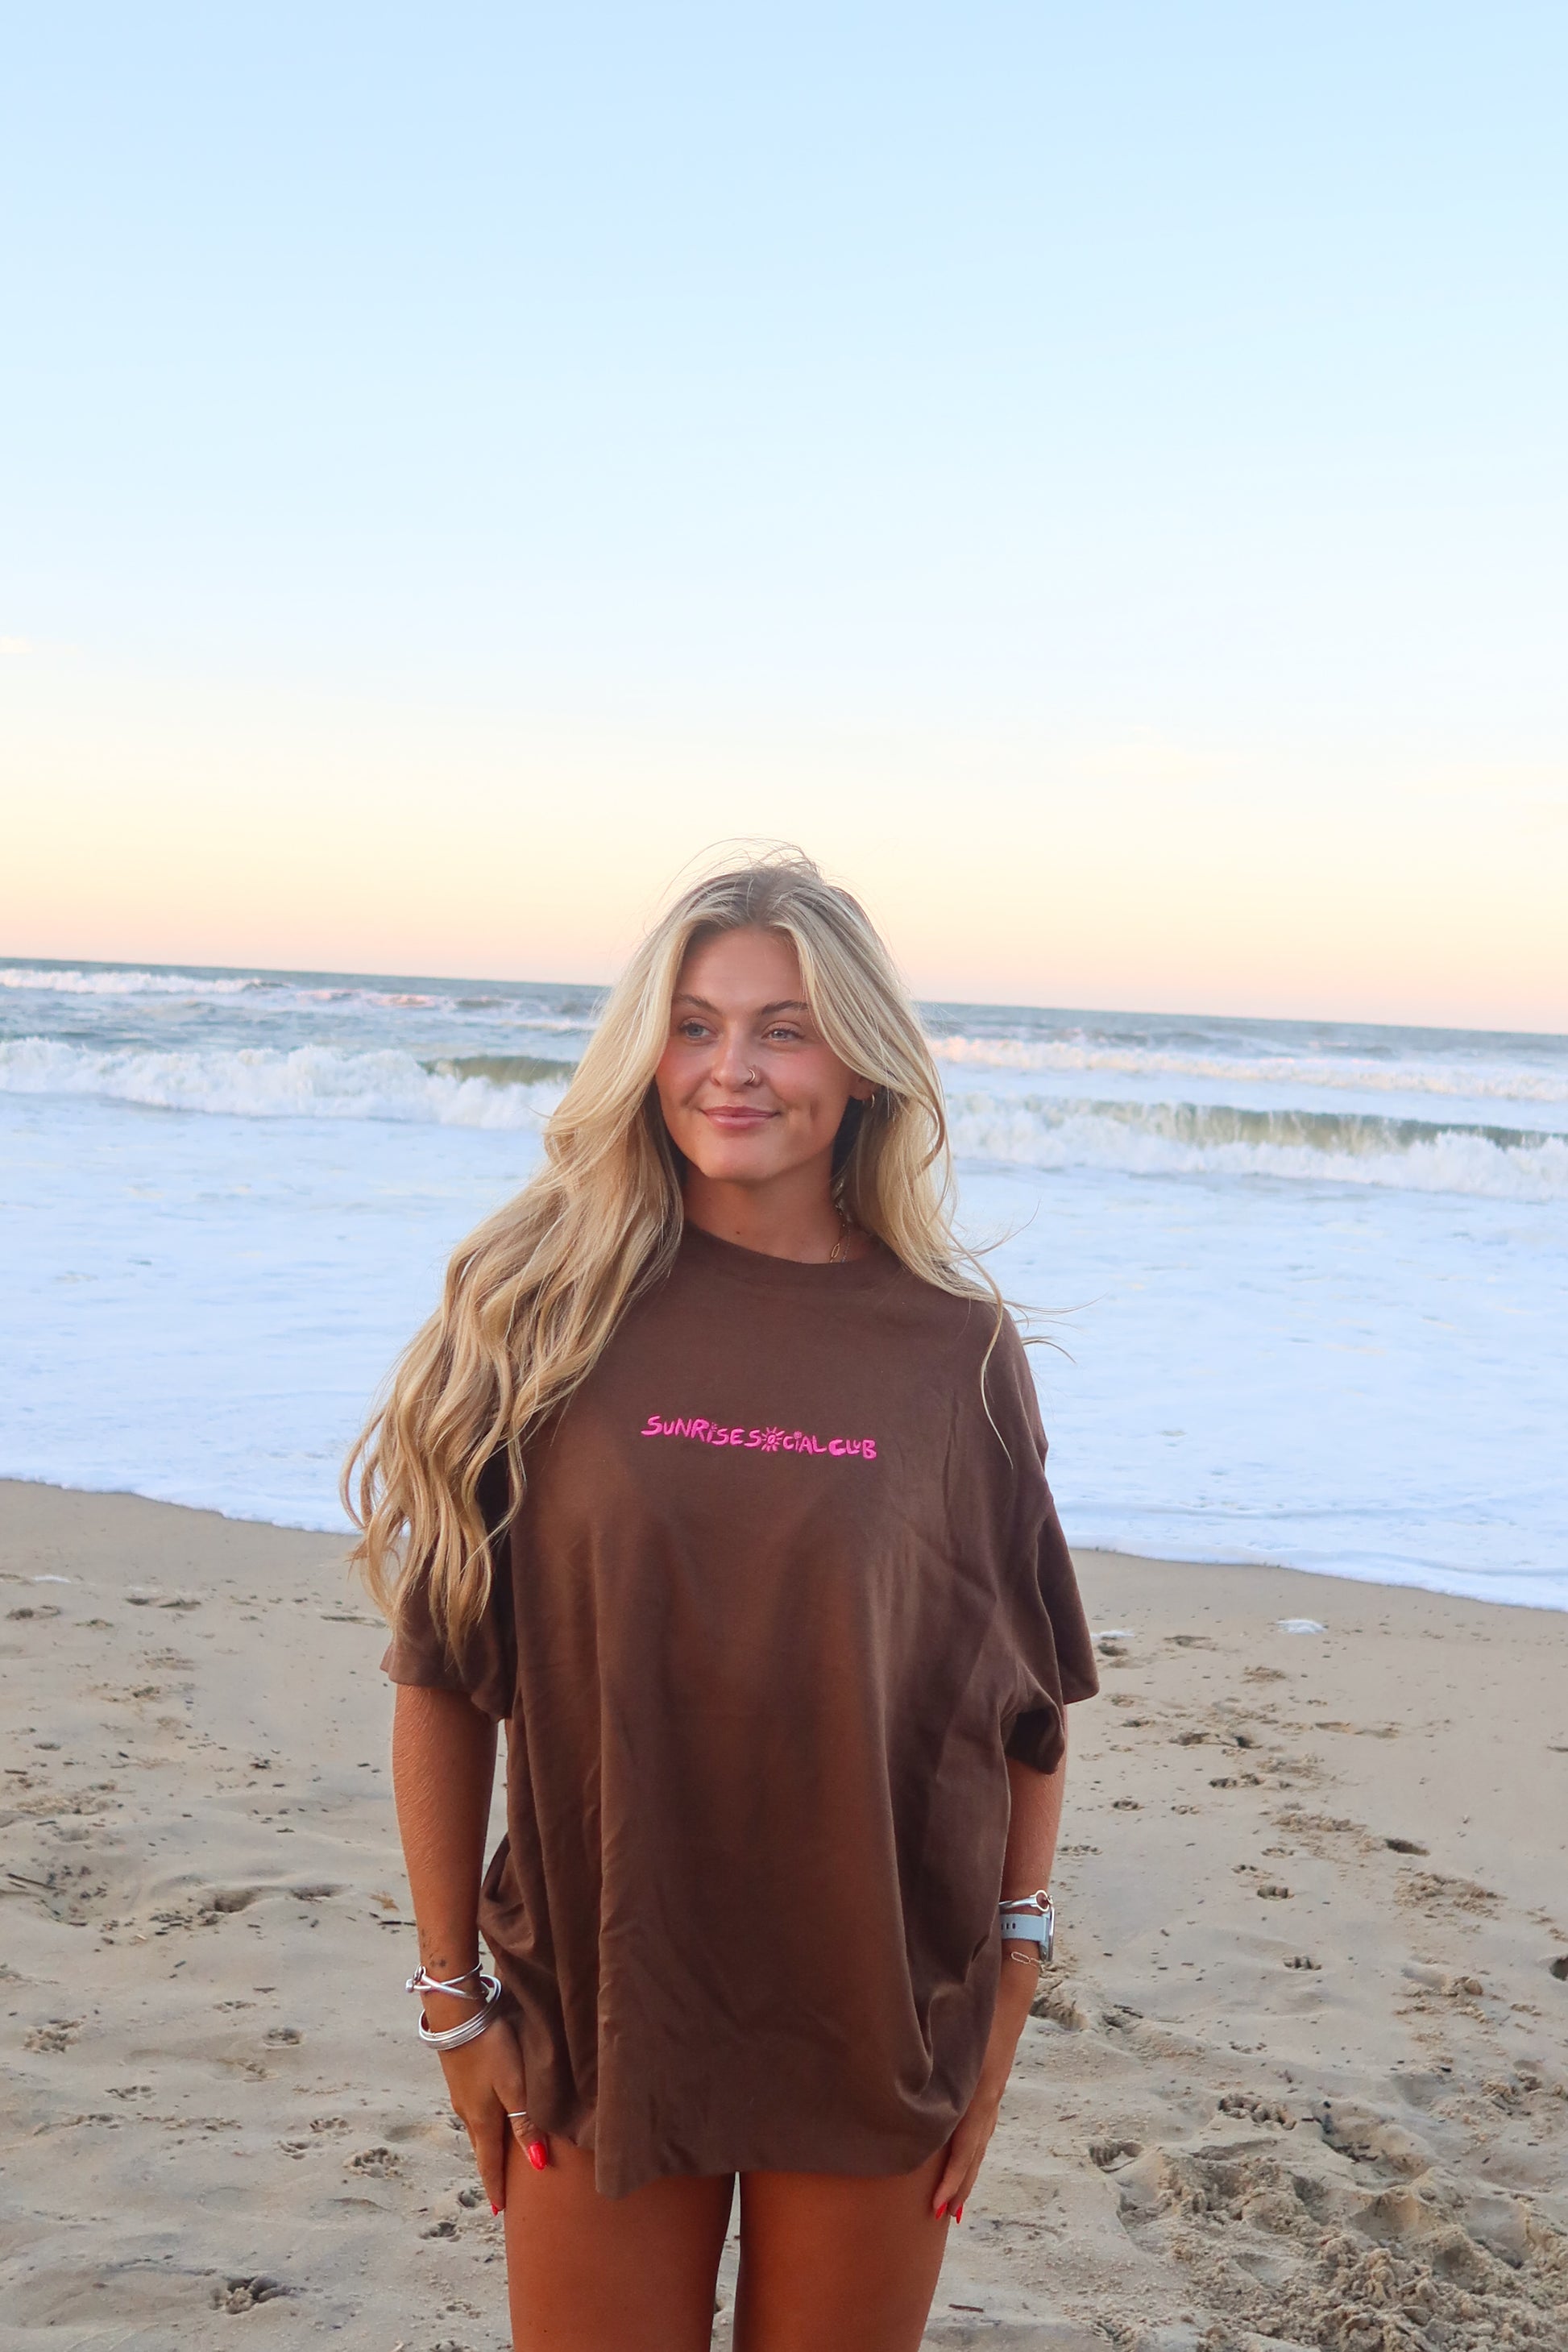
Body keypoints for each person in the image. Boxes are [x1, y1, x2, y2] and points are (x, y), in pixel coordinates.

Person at [346, 851, 1098, 2352]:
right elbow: (440, 1671)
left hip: (876, 2009)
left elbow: (1023, 1702)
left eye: (783, 1029)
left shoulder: (951, 1349)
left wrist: (1010, 1983)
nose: (731, 1068)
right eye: (692, 1026)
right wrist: (451, 1999)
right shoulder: (535, 1311)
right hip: (601, 1999)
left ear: (861, 1066)